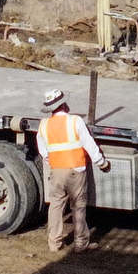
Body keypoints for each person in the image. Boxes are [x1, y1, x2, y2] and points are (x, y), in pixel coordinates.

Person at [39, 99, 99, 253]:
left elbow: (44, 152)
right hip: (75, 170)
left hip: (57, 170)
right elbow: (88, 143)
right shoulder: (75, 121)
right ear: (64, 105)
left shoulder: (44, 125)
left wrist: (54, 162)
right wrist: (101, 161)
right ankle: (80, 244)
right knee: (78, 206)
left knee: (56, 206)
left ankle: (54, 243)